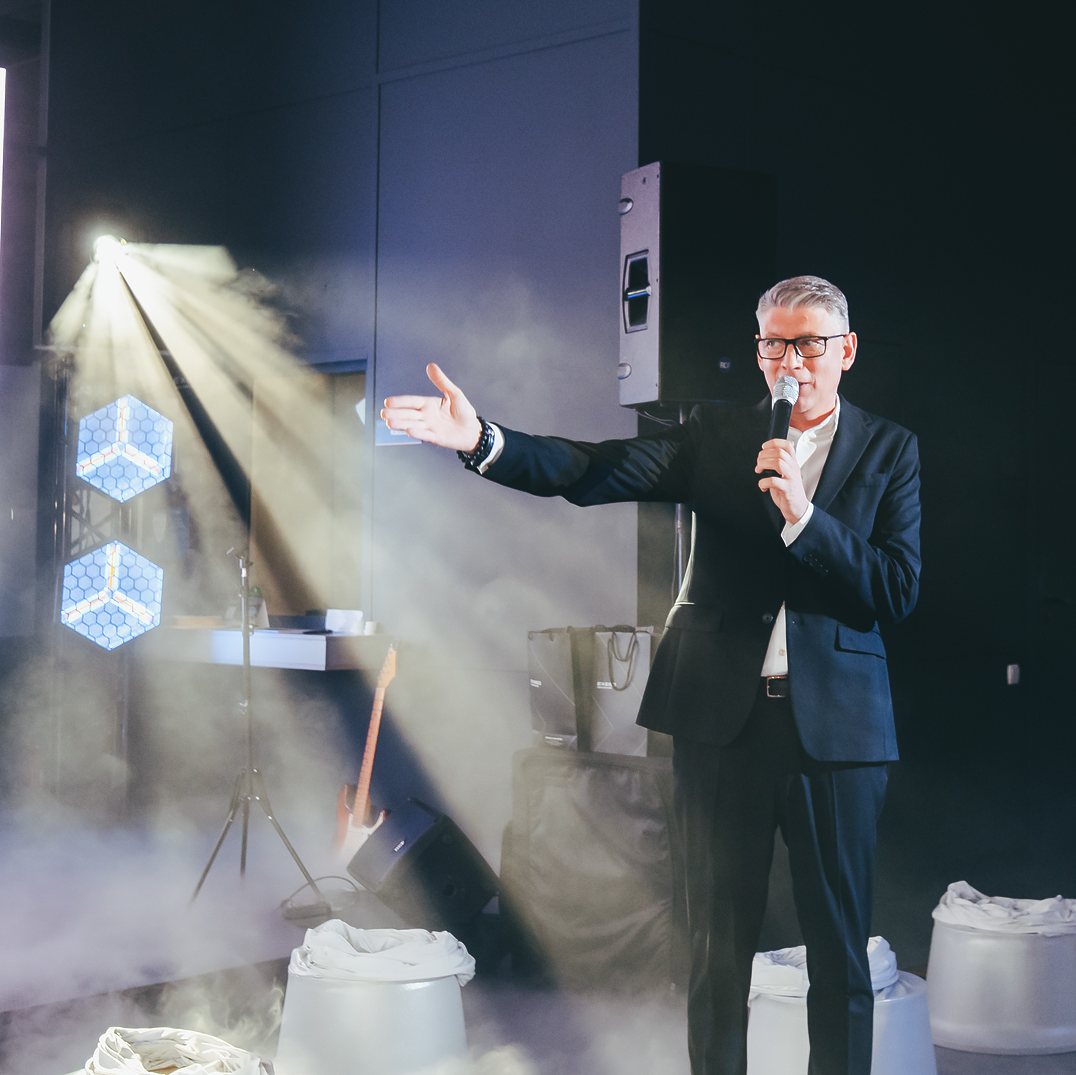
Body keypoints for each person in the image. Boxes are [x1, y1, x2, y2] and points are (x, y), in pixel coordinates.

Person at [381, 276, 920, 1075]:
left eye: (808, 344)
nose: (789, 362)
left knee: (839, 955)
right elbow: (593, 468)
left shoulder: (890, 449)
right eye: (773, 344)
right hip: (719, 726)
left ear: (846, 351)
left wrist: (806, 519)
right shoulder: (715, 433)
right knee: (714, 948)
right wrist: (484, 440)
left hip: (836, 734)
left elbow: (895, 589)